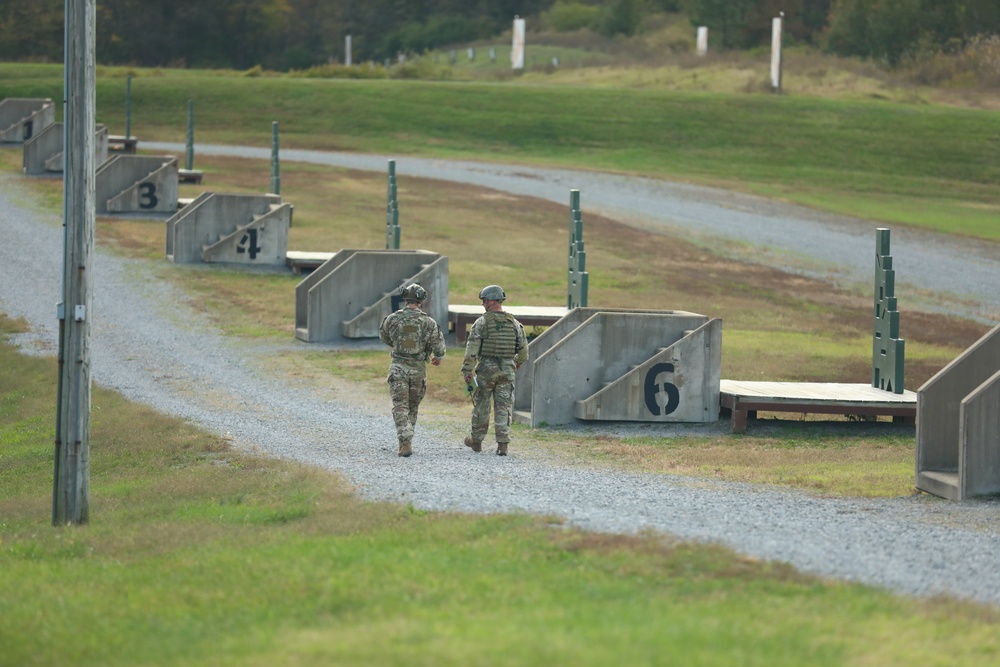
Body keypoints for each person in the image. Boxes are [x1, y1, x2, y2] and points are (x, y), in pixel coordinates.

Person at [460, 284, 529, 456]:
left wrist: (467, 371)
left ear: (491, 301)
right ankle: (502, 445)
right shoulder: (515, 323)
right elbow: (523, 351)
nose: (483, 304)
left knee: (482, 405)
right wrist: (516, 363)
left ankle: (476, 441)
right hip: (507, 370)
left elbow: (472, 350)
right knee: (503, 407)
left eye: (484, 301)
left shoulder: (481, 323)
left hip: (486, 370)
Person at [379, 283, 446, 457]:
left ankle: (405, 441)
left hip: (398, 367)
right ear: (421, 300)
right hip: (418, 370)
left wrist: (397, 344)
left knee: (400, 406)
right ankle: (407, 440)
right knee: (412, 407)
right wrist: (437, 358)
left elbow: (384, 336)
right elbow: (439, 348)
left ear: (405, 299)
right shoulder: (428, 322)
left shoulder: (392, 319)